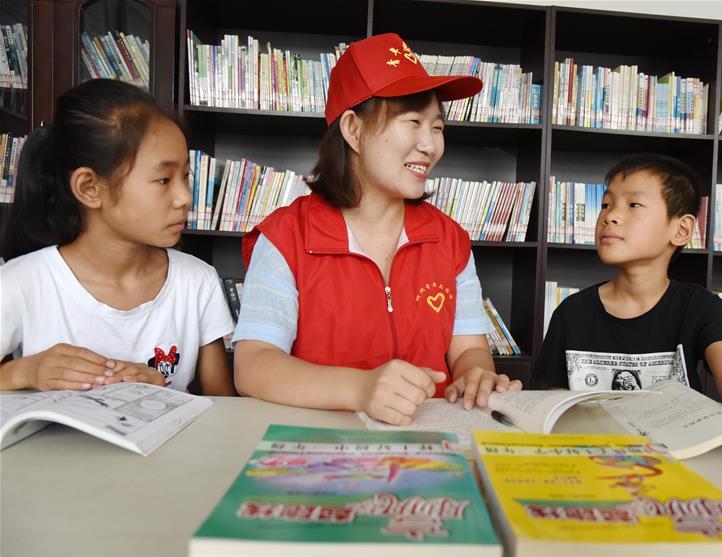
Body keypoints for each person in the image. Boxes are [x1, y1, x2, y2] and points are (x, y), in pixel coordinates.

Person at [233, 33, 521, 424]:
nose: (430, 146)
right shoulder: (286, 237)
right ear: (353, 130)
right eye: (413, 122)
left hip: (430, 440)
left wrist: (475, 375)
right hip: (321, 443)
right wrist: (360, 388)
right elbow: (253, 366)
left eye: (437, 127)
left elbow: (469, 349)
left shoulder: (449, 240)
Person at [534, 154, 722, 462]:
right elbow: (554, 402)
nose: (610, 216)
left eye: (633, 204)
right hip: (591, 457)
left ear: (681, 229)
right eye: (606, 204)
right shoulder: (572, 311)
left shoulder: (699, 306)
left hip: (677, 459)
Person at [0, 79, 235, 395]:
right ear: (89, 188)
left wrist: (161, 393)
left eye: (185, 176)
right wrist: (24, 372)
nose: (185, 197)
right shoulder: (18, 284)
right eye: (164, 180)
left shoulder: (197, 282)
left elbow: (222, 405)